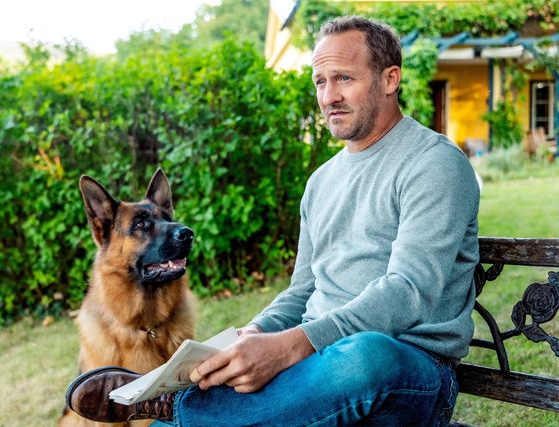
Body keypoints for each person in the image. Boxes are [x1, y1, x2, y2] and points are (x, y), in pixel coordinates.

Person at [65, 15, 479, 426]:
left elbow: (409, 291)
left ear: (390, 79)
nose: (329, 96)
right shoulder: (321, 182)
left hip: (408, 371)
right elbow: (303, 291)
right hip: (316, 366)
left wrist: (290, 346)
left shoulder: (433, 164)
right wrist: (257, 333)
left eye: (344, 78)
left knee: (367, 354)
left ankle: (177, 413)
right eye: (320, 82)